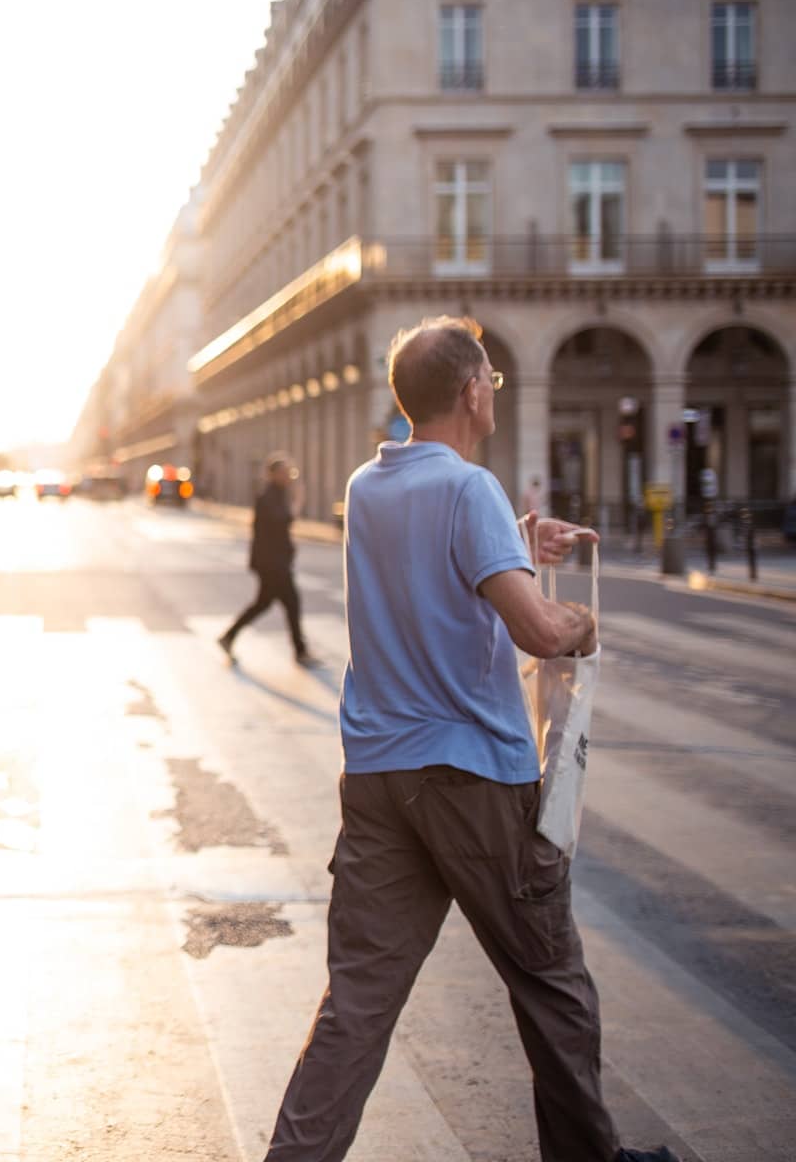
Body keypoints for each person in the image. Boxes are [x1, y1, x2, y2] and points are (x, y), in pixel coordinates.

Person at [264, 317, 675, 1162]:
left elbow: (429, 577)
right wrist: (584, 624)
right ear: (471, 390)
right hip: (472, 782)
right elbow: (536, 631)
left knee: (358, 1006)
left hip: (380, 780)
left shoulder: (370, 486)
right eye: (490, 376)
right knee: (552, 984)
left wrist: (517, 546)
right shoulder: (468, 487)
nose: (495, 388)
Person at [218, 453, 316, 667]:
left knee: (264, 603)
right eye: (286, 472)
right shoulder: (268, 496)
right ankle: (300, 651)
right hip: (272, 563)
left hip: (273, 561)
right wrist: (298, 502)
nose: (290, 477)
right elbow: (282, 523)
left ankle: (229, 636)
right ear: (273, 474)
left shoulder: (277, 494)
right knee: (291, 602)